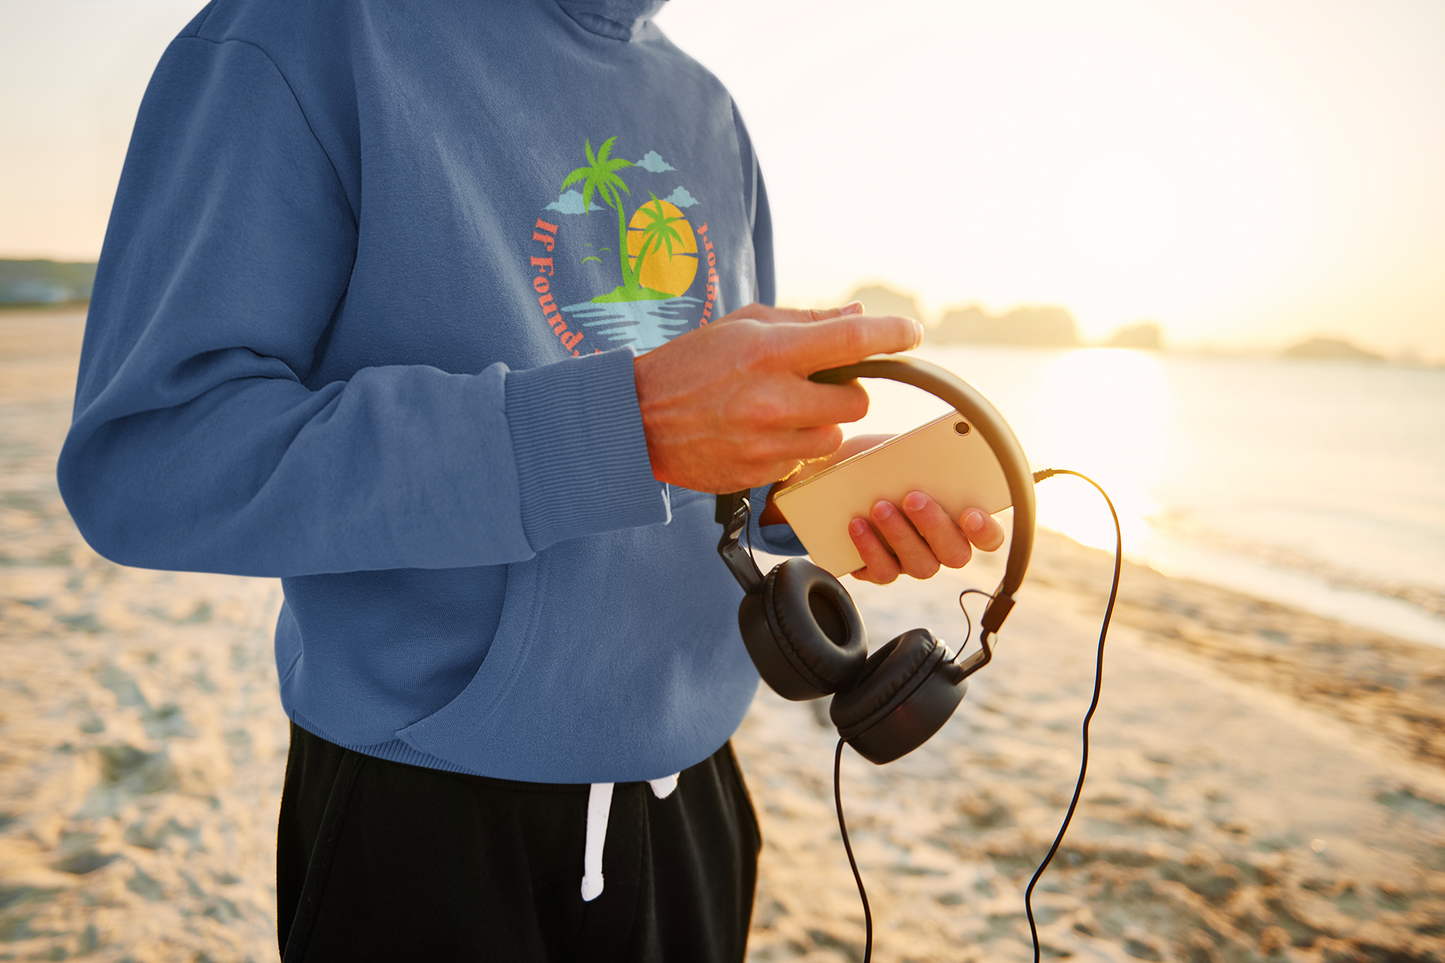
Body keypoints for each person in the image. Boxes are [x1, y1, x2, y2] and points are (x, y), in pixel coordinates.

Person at [58, 0, 1004, 959]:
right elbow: (152, 460)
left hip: (698, 801)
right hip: (426, 814)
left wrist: (798, 492)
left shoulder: (708, 108)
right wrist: (625, 426)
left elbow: (691, 454)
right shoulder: (301, 32)